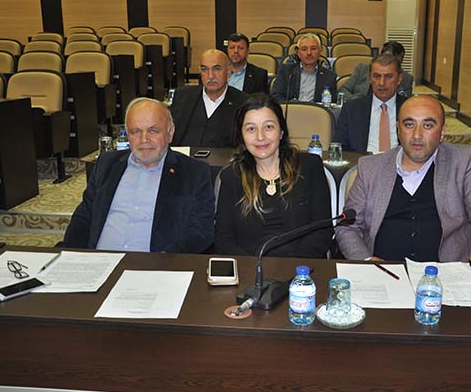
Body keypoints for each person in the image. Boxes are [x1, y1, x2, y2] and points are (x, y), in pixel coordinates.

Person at [335, 95, 471, 269]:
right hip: (384, 273)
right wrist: (367, 261)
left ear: (442, 132)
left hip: (445, 274)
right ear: (398, 129)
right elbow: (347, 227)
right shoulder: (371, 167)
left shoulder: (463, 161)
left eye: (428, 126)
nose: (417, 135)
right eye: (409, 125)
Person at [62, 97, 215, 253]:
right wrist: (71, 255)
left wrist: (166, 259)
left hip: (155, 262)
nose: (144, 139)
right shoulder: (106, 164)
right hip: (100, 260)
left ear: (170, 132)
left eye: (153, 130)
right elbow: (84, 217)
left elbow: (201, 231)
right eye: (136, 131)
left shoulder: (193, 172)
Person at [215, 94, 333, 258]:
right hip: (249, 269)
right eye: (251, 129)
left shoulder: (309, 167)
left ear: (281, 131)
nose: (260, 136)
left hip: (302, 268)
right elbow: (223, 241)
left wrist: (292, 267)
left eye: (268, 127)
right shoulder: (231, 177)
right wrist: (254, 268)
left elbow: (322, 231)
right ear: (242, 135)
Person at [171, 49, 248, 148]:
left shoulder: (243, 102)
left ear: (228, 71)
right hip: (183, 157)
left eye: (216, 69)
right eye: (205, 69)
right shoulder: (182, 97)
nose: (210, 76)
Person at [334, 53, 408, 153]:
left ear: (399, 79)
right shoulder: (351, 109)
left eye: (388, 76)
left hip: (400, 161)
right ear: (369, 78)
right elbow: (339, 147)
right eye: (376, 76)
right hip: (361, 160)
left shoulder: (410, 109)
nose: (382, 83)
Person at [271, 33, 337, 103]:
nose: (309, 53)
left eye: (313, 49)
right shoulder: (286, 71)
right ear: (298, 53)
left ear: (320, 51)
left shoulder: (329, 76)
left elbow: (331, 103)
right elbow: (276, 97)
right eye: (304, 49)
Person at [339, 41, 414, 101]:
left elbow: (405, 102)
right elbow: (343, 90)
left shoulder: (406, 78)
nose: (382, 82)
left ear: (401, 59)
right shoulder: (362, 69)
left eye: (389, 76)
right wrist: (357, 102)